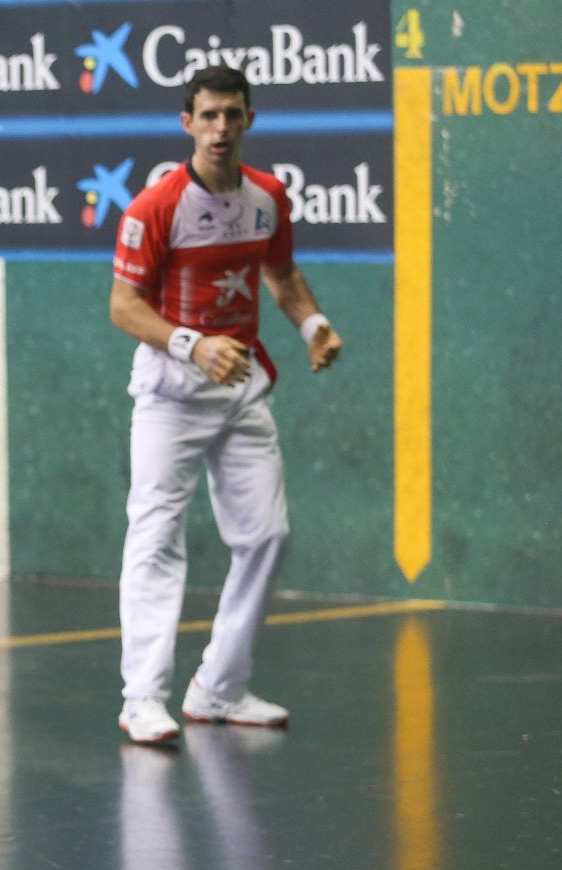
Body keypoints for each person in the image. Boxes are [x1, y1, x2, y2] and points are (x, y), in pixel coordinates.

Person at [109, 66, 342, 745]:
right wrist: (192, 345)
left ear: (248, 120)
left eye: (231, 115)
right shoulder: (155, 208)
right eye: (207, 116)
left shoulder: (268, 196)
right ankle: (142, 699)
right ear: (188, 124)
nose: (219, 128)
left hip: (241, 390)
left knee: (266, 536)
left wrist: (312, 324)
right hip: (169, 395)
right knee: (155, 540)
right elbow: (124, 307)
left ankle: (218, 688)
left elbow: (281, 272)